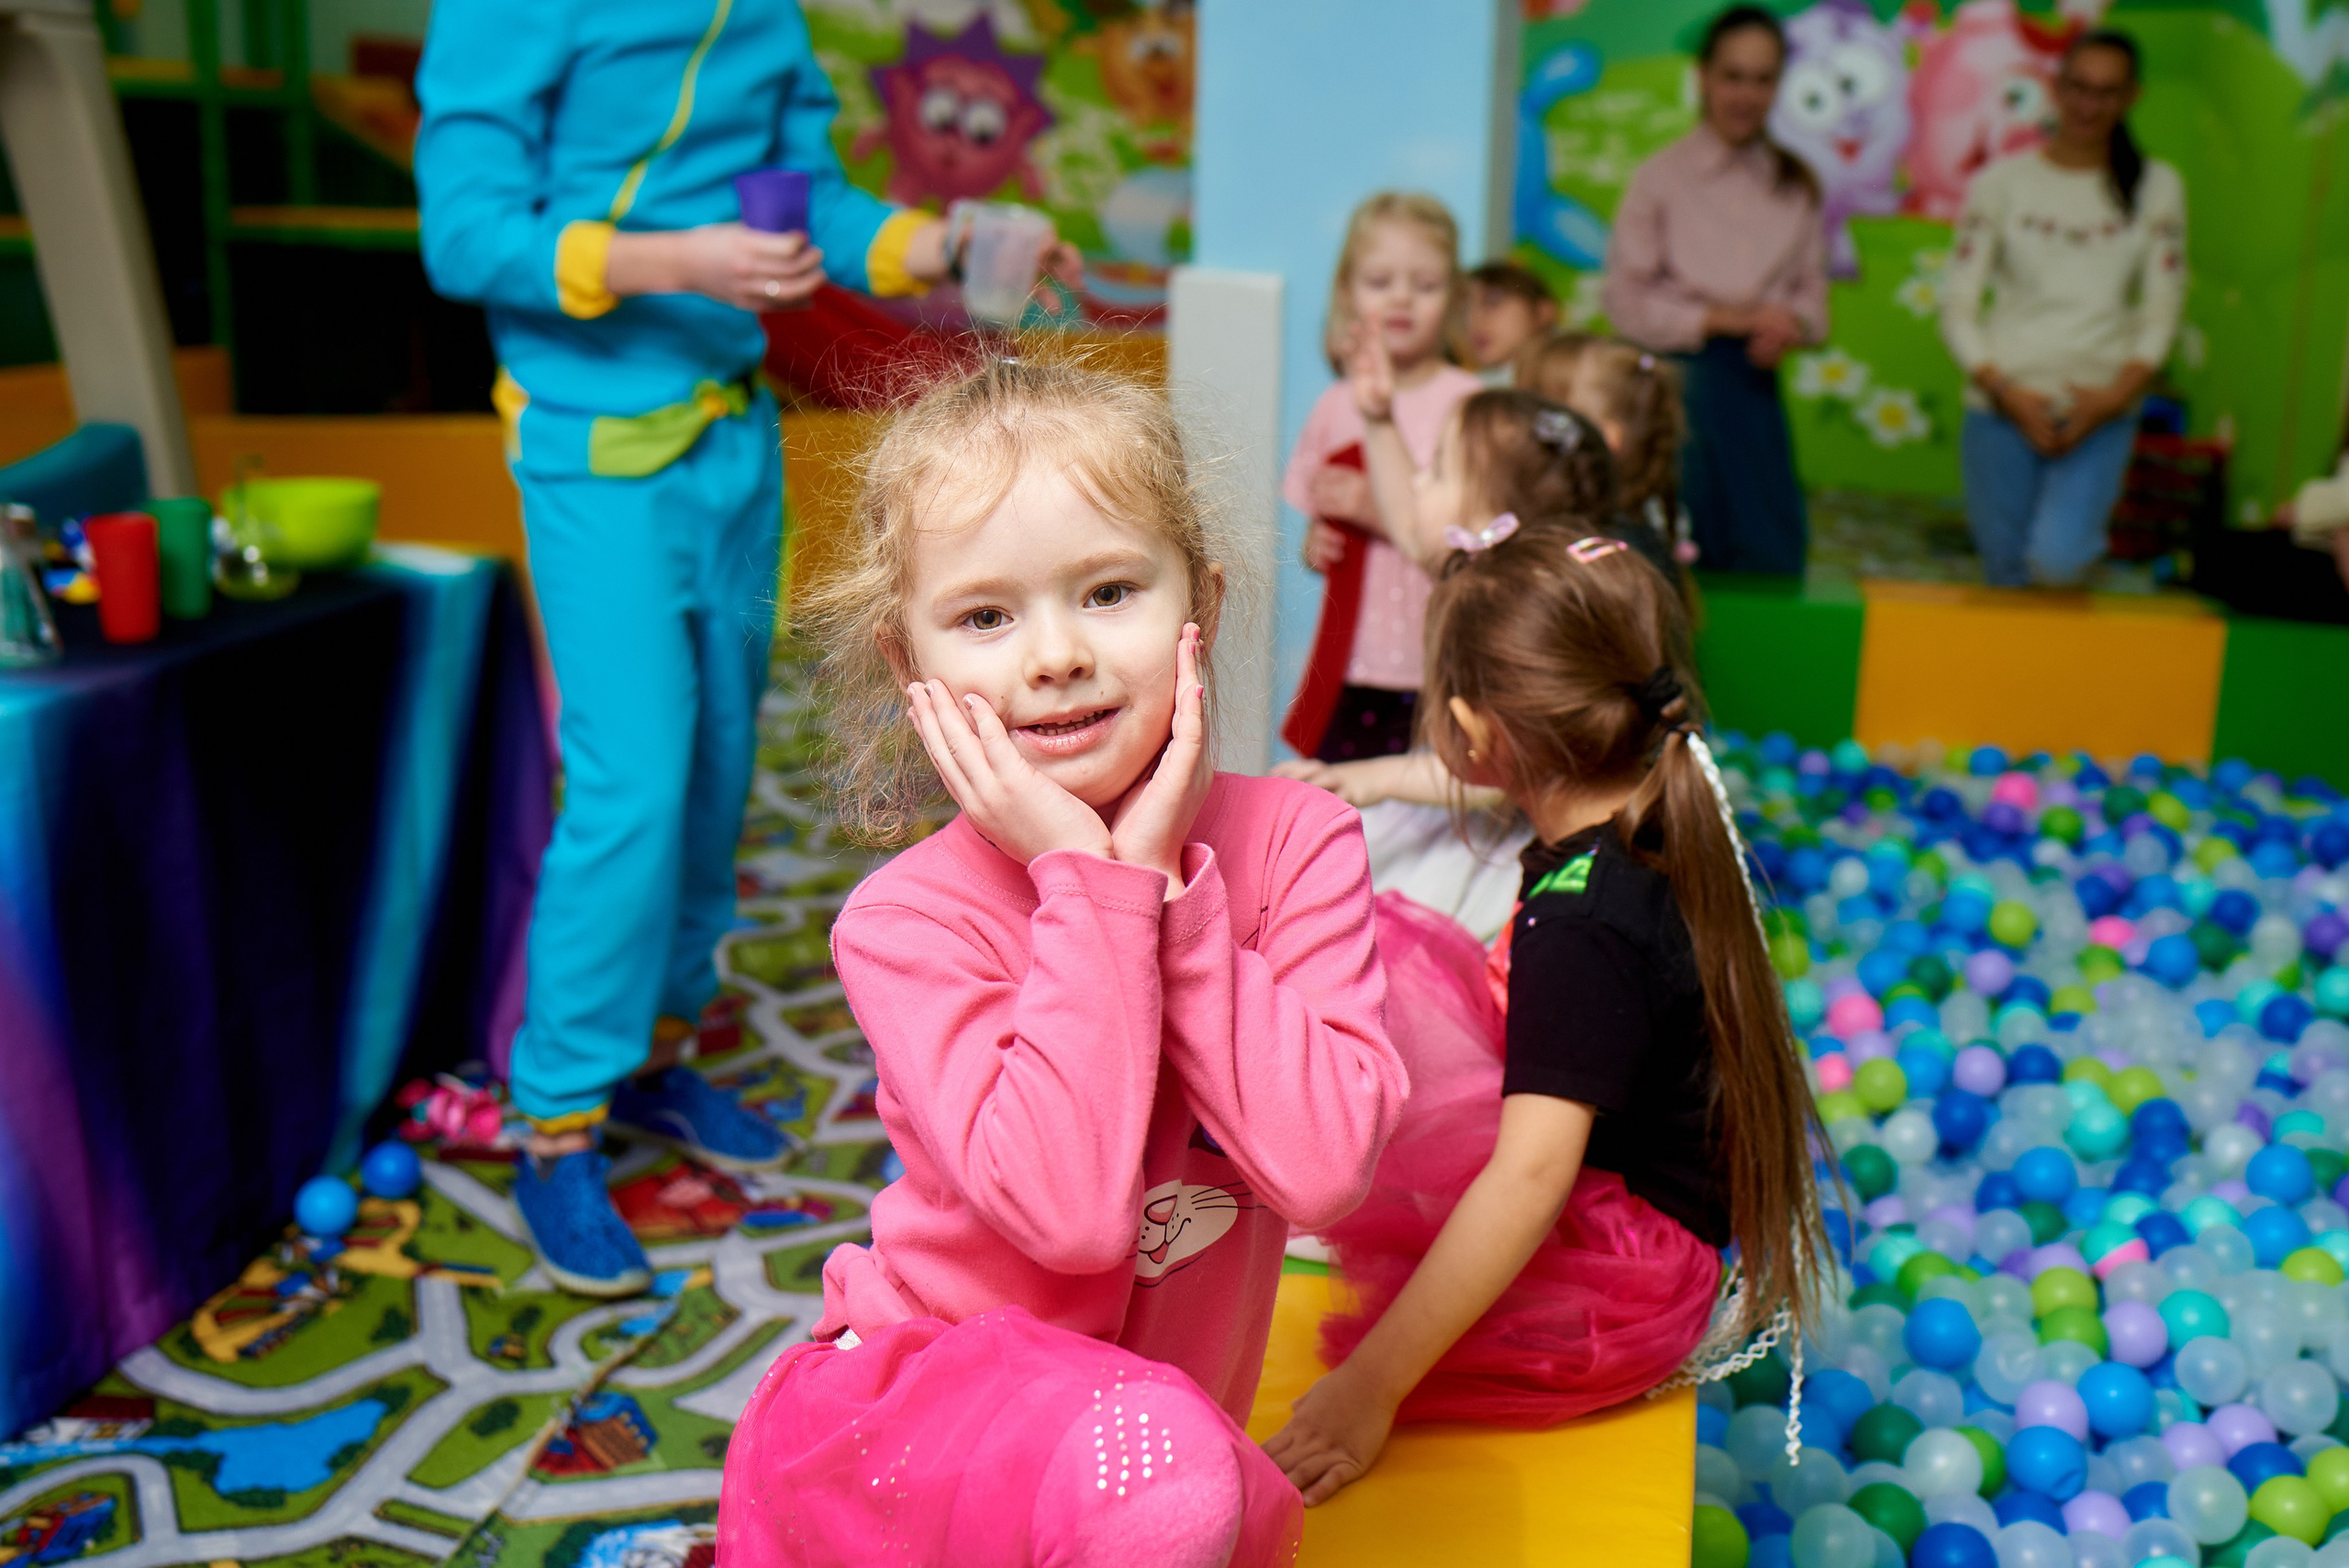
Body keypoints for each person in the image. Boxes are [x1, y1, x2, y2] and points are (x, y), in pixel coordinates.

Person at [416, 0, 1076, 1295]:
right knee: (634, 787)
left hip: (730, 438)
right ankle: (555, 1118)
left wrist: (941, 239)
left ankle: (655, 1054)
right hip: (596, 446)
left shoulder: (758, 14)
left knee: (717, 771)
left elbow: (811, 202)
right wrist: (683, 260)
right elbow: (465, 231)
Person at [716, 361, 1409, 1567]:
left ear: (1205, 603)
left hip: (1142, 1479)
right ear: (907, 666)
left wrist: (1175, 904)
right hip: (923, 1430)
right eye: (985, 617)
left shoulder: (1300, 844)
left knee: (1167, 1477)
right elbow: (1070, 1217)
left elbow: (1325, 1168)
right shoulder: (905, 921)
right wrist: (1094, 890)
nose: (1053, 658)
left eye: (1107, 592)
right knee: (1163, 1473)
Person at [1263, 517, 1829, 1505]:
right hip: (1664, 1223)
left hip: (1624, 1278)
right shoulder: (1662, 798)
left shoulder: (1581, 918)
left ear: (1480, 733)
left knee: (1383, 1001)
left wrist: (1369, 1387)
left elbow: (1530, 1178)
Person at [1275, 391, 1620, 943]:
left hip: (1499, 839)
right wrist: (1379, 415)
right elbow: (1409, 521)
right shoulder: (1500, 585)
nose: (1415, 482)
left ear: (1488, 520)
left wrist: (1363, 778)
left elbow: (1501, 773)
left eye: (1435, 470)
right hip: (1475, 799)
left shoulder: (1501, 621)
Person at [1939, 28, 2185, 589]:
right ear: (2055, 87)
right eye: (2077, 87)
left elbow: (2162, 307)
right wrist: (2006, 392)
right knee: (2005, 571)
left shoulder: (2158, 186)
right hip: (2002, 402)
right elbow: (1958, 307)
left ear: (2131, 97)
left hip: (2101, 405)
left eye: (2106, 91)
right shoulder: (2000, 184)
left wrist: (2115, 397)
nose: (2088, 105)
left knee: (2058, 561)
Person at [1603, 4, 1827, 577]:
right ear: (1702, 76)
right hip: (1676, 390)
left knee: (1770, 557)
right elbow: (1626, 305)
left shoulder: (1795, 183)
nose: (1745, 95)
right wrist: (1726, 319)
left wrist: (1786, 326)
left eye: (1763, 79)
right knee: (1679, 558)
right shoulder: (1660, 178)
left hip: (1754, 392)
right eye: (1732, 75)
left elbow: (1813, 306)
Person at [1283, 193, 1484, 762]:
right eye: (1380, 282)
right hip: (1351, 660)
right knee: (1346, 803)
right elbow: (1316, 529)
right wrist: (1314, 543)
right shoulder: (1335, 404)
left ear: (1453, 299)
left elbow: (1477, 542)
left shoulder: (1467, 405)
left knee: (1425, 815)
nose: (1402, 298)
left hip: (1439, 662)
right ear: (1347, 293)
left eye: (1425, 286)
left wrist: (1377, 508)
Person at [1521, 334, 1695, 578]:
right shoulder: (1608, 537)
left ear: (1605, 438)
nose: (1519, 428)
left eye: (1547, 421)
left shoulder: (1608, 559)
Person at [1464, 259, 1559, 384]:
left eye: (1492, 302)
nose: (1473, 319)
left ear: (1543, 312)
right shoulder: (1471, 385)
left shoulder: (1569, 380)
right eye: (1465, 310)